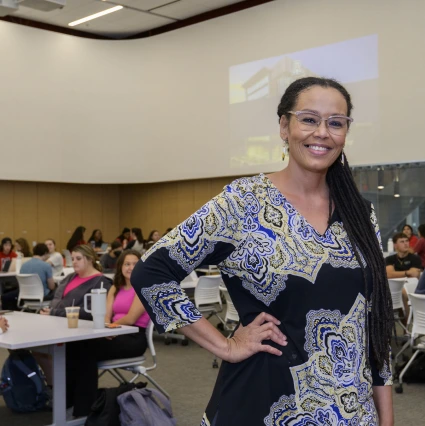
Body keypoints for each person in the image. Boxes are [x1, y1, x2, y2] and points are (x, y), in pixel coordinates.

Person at [131, 77, 394, 425]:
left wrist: (385, 418)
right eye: (309, 119)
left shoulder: (361, 215)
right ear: (284, 126)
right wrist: (224, 346)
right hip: (263, 404)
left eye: (336, 122)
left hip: (349, 412)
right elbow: (150, 273)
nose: (322, 133)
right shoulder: (242, 202)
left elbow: (375, 324)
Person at [65, 250, 149, 416]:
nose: (131, 267)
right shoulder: (115, 288)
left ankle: (84, 408)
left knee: (86, 350)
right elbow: (105, 316)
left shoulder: (144, 287)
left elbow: (131, 318)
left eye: (135, 264)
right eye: (127, 264)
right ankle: (69, 400)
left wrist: (110, 328)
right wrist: (104, 329)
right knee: (74, 345)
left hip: (133, 337)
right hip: (113, 332)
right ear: (120, 267)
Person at [40, 245, 112, 319]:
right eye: (72, 259)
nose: (74, 262)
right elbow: (56, 299)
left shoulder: (102, 283)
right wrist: (47, 310)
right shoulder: (70, 277)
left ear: (90, 259)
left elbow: (91, 311)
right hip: (56, 319)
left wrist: (55, 312)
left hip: (80, 325)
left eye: (78, 259)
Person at [1, 243, 55, 310]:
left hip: (25, 297)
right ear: (45, 253)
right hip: (42, 297)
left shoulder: (24, 265)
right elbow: (51, 287)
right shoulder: (46, 266)